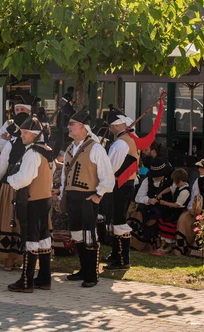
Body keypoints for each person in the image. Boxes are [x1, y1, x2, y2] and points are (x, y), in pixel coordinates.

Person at [60, 109, 114, 288]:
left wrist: (99, 195)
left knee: (89, 236)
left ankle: (92, 274)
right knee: (77, 235)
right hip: (72, 198)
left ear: (83, 127)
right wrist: (62, 195)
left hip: (87, 197)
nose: (69, 127)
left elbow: (107, 175)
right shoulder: (69, 148)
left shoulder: (95, 148)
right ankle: (84, 269)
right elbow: (63, 176)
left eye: (72, 124)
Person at [6, 116, 54, 293]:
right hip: (44, 199)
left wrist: (10, 179)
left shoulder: (33, 153)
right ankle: (44, 278)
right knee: (43, 238)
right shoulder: (47, 150)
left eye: (25, 133)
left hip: (32, 201)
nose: (22, 136)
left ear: (35, 134)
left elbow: (24, 178)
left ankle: (26, 281)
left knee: (30, 240)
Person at [0, 112, 29, 271]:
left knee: (10, 221)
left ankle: (9, 261)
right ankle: (28, 259)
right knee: (25, 222)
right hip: (29, 188)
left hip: (10, 188)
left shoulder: (11, 144)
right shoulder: (35, 145)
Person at [103, 108, 140, 270]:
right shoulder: (132, 138)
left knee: (118, 221)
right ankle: (116, 254)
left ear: (118, 125)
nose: (110, 129)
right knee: (116, 219)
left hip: (120, 185)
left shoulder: (120, 143)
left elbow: (111, 168)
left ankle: (122, 259)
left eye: (112, 126)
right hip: (127, 184)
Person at [129, 157, 173, 253]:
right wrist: (148, 200)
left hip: (165, 208)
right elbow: (138, 197)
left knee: (156, 216)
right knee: (139, 212)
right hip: (148, 206)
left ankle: (156, 244)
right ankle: (137, 244)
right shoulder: (147, 181)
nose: (157, 177)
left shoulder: (170, 182)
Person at [150, 168, 191, 256]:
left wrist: (164, 203)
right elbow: (170, 188)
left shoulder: (185, 191)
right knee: (162, 219)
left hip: (178, 211)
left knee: (169, 223)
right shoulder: (177, 186)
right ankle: (162, 244)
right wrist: (161, 193)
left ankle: (168, 246)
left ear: (179, 181)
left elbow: (177, 205)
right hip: (172, 210)